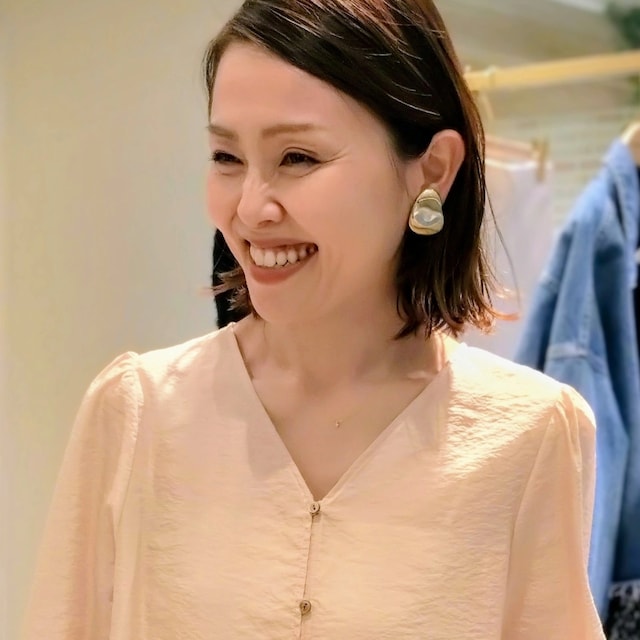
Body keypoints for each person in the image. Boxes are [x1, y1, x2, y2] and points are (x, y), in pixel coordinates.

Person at [22, 1, 606, 638]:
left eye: (297, 157)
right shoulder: (138, 414)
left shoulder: (529, 436)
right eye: (226, 157)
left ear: (432, 169)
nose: (251, 209)